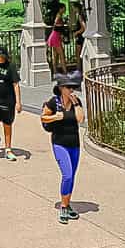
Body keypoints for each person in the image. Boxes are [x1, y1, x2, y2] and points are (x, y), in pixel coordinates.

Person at [41, 71, 84, 223]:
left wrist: (76, 104)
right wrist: (55, 117)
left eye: (72, 87)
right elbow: (44, 117)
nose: (71, 90)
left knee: (72, 176)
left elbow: (80, 118)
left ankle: (67, 203)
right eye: (68, 87)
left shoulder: (76, 102)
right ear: (60, 88)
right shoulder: (53, 102)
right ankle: (63, 208)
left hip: (74, 144)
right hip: (59, 143)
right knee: (67, 174)